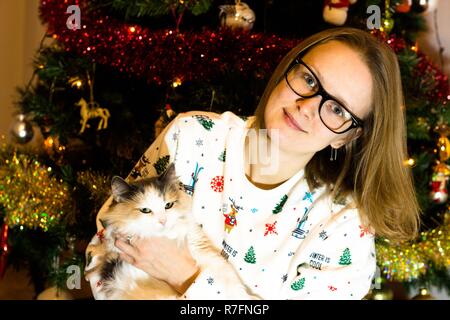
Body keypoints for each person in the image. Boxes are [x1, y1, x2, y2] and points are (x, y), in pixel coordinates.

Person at [86, 27, 421, 299]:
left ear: (345, 137)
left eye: (336, 109)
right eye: (309, 80)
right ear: (289, 68)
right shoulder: (191, 136)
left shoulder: (344, 226)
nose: (307, 106)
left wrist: (186, 275)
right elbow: (103, 248)